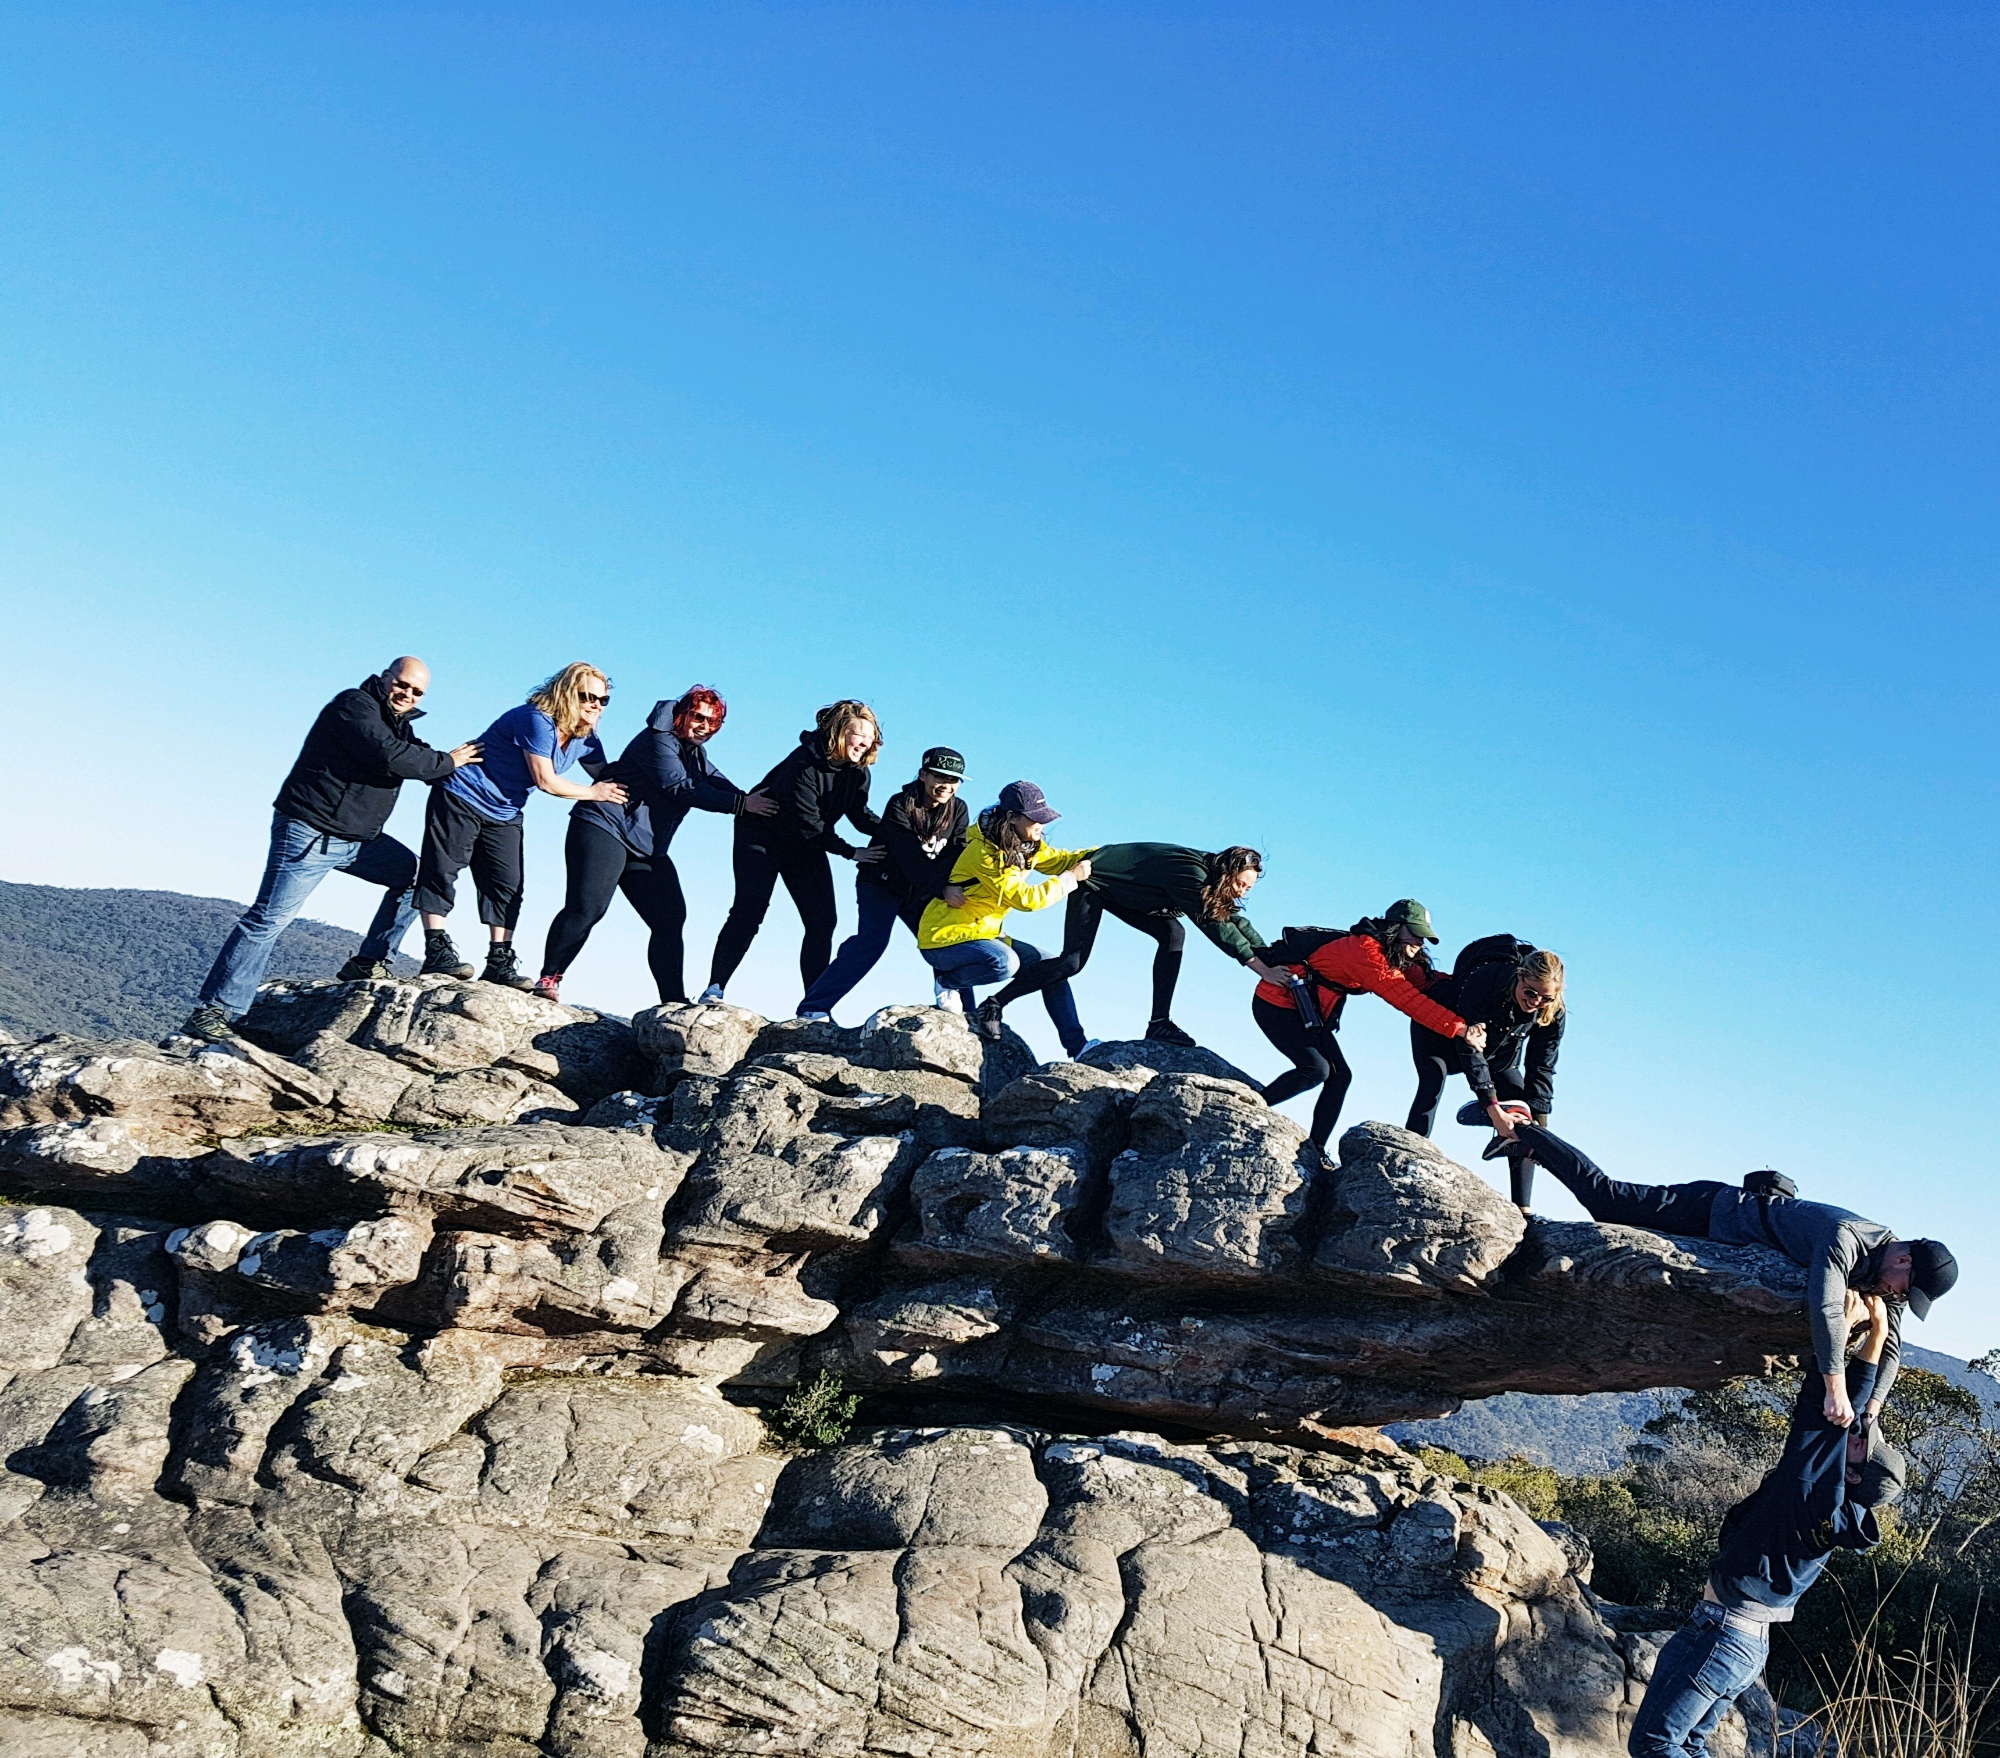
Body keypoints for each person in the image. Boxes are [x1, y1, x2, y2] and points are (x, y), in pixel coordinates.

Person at [1502, 1123, 1957, 1424]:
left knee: (1610, 1214)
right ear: (1903, 1261)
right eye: (1905, 1290)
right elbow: (1824, 1306)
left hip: (1724, 1227)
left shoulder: (1884, 1268)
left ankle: (1526, 1144)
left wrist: (1873, 1405)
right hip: (1710, 1210)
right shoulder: (1845, 1238)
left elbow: (1892, 1344)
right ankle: (1527, 1133)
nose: (1897, 1297)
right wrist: (1836, 1390)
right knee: (1607, 1202)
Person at [1627, 1292, 1905, 1758]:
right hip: (1742, 1641)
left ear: (1852, 1475)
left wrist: (1856, 1333)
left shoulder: (1813, 1492)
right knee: (1692, 1745)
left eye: (1858, 1443)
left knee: (1656, 1745)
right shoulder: (1827, 1509)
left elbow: (1826, 1414)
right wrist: (1877, 1335)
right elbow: (1838, 1426)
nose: (1852, 1430)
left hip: (1723, 1634)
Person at [180, 657, 480, 1042]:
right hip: (309, 831)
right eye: (402, 684)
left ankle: (369, 962)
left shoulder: (399, 726)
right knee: (270, 918)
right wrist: (447, 760)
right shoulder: (354, 705)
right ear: (385, 677)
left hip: (357, 840)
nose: (407, 694)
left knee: (412, 874)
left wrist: (481, 768)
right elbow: (391, 756)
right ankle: (213, 1011)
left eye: (417, 691)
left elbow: (424, 763)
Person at [534, 686, 776, 1004]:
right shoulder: (658, 739)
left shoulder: (696, 755)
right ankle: (549, 978)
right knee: (588, 908)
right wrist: (741, 805)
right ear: (681, 715)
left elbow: (717, 783)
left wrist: (759, 803)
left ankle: (672, 1001)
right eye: (698, 717)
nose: (704, 726)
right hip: (604, 826)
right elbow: (679, 785)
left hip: (646, 847)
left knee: (670, 918)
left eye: (713, 722)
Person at [413, 662, 625, 989]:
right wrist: (594, 794)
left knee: (507, 885)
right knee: (442, 870)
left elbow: (608, 776)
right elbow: (546, 780)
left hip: (506, 810)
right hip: (462, 795)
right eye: (588, 697)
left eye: (603, 700)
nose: (596, 705)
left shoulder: (586, 739)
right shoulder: (536, 720)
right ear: (567, 693)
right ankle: (436, 949)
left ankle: (499, 960)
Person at [976, 843, 1290, 1046]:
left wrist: (1269, 956)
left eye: (1247, 888)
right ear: (1227, 873)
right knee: (1072, 962)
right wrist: (1261, 969)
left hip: (1129, 894)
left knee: (1172, 934)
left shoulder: (1212, 880)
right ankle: (993, 1004)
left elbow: (1235, 920)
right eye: (1239, 884)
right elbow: (1215, 925)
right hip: (1095, 883)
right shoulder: (1191, 874)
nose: (1241, 892)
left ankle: (1159, 1024)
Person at [1251, 900, 1482, 1149]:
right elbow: (1408, 999)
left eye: (1423, 937)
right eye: (1415, 934)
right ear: (1396, 928)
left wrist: (1474, 987)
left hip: (1307, 1012)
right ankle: (1251, 1106)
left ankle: (1315, 1149)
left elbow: (1427, 983)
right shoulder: (1367, 953)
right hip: (1276, 1004)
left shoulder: (1392, 954)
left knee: (1340, 1077)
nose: (1420, 942)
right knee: (1316, 1070)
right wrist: (1460, 1029)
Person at [698, 699, 885, 1004]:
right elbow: (808, 822)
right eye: (858, 735)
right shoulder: (804, 764)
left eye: (870, 738)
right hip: (761, 835)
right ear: (838, 732)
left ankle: (814, 1005)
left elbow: (860, 814)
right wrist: (852, 852)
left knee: (823, 922)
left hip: (806, 846)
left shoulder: (858, 774)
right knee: (750, 910)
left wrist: (900, 834)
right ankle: (714, 988)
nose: (865, 743)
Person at [917, 781, 1094, 1053]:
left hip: (985, 934)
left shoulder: (1025, 844)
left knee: (1052, 967)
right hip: (945, 938)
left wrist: (1101, 855)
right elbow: (1026, 899)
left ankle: (1078, 1047)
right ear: (1012, 817)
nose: (1042, 825)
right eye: (1036, 819)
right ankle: (947, 981)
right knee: (1004, 963)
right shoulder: (984, 852)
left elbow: (1059, 861)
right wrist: (1070, 879)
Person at [796, 747, 970, 1022]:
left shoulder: (958, 809)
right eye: (938, 776)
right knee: (871, 942)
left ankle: (968, 1016)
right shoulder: (901, 803)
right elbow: (909, 857)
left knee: (947, 941)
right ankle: (813, 1008)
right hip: (882, 883)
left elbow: (957, 852)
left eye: (953, 779)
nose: (945, 785)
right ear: (923, 774)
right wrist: (941, 889)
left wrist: (951, 886)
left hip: (922, 890)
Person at [1407, 939, 1566, 1209]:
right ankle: (1409, 1161)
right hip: (1440, 1037)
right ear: (1519, 976)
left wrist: (1541, 1128)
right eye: (1529, 993)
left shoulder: (1551, 1012)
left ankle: (1523, 1210)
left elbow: (1541, 1066)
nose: (1536, 1002)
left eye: (1545, 998)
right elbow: (1469, 1049)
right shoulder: (1486, 979)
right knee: (1432, 1084)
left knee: (1525, 1119)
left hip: (1498, 1057)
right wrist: (1492, 1106)